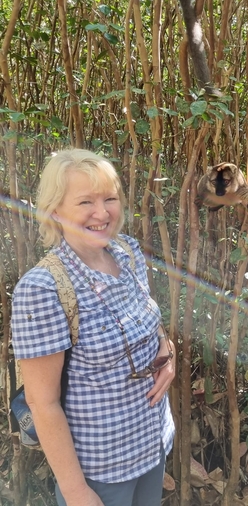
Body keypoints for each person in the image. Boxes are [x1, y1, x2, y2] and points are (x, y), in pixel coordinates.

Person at [11, 149, 175, 506]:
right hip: (100, 470)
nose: (102, 213)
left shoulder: (128, 252)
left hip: (152, 442)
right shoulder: (43, 289)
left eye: (110, 199)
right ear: (56, 210)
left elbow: (148, 319)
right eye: (85, 201)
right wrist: (76, 492)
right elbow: (43, 402)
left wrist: (167, 350)